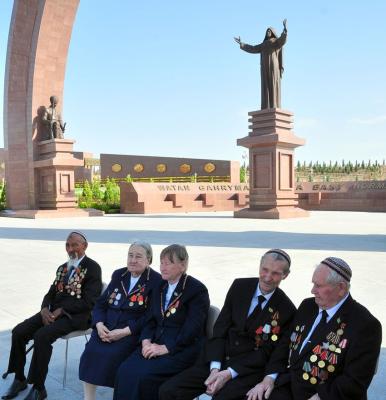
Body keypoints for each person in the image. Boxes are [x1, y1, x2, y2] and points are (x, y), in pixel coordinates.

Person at [159, 249, 296, 400]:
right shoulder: (239, 287)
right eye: (265, 270)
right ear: (259, 266)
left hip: (245, 371)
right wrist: (215, 369)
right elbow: (220, 329)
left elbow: (267, 352)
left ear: (286, 275)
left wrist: (229, 373)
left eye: (276, 273)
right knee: (168, 391)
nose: (268, 277)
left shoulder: (286, 309)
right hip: (218, 359)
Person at [247, 257, 382, 400]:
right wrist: (269, 377)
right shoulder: (308, 306)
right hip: (288, 385)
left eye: (319, 286)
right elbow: (285, 344)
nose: (313, 290)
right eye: (313, 284)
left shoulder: (365, 325)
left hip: (323, 394)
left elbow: (354, 381)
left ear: (341, 288)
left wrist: (321, 397)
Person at [1, 231, 102, 400]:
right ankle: (19, 379)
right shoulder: (63, 267)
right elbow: (50, 293)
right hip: (52, 312)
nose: (70, 249)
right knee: (19, 331)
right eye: (67, 245)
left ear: (85, 246)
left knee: (42, 336)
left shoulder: (92, 268)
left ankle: (39, 388)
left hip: (76, 316)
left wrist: (62, 310)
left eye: (75, 245)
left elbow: (89, 302)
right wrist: (44, 309)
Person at [113, 244, 210, 400]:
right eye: (161, 262)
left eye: (168, 263)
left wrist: (167, 348)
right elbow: (151, 319)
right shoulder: (160, 286)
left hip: (181, 347)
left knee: (144, 376)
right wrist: (145, 341)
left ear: (183, 265)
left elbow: (193, 329)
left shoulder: (196, 290)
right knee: (124, 369)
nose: (163, 267)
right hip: (155, 343)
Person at [78, 241, 162, 400]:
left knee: (116, 358)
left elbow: (150, 316)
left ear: (149, 260)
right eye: (130, 255)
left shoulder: (156, 281)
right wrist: (99, 324)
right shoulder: (119, 274)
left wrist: (124, 332)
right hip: (106, 328)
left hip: (130, 332)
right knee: (90, 352)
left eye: (138, 256)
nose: (133, 260)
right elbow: (101, 304)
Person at [234, 19, 287, 109]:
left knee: (273, 84)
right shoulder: (263, 44)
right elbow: (253, 48)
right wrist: (242, 44)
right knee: (265, 85)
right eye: (267, 31)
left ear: (273, 32)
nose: (268, 32)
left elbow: (282, 40)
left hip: (273, 66)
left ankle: (274, 104)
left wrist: (285, 30)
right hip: (264, 67)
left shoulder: (275, 42)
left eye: (270, 31)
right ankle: (266, 106)